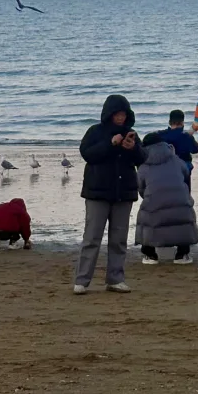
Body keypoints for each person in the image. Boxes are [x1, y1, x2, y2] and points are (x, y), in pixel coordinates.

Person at [75, 93, 146, 293]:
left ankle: (115, 279)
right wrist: (110, 143)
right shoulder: (95, 131)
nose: (120, 118)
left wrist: (133, 148)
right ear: (109, 114)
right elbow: (87, 154)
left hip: (124, 193)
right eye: (117, 114)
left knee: (119, 239)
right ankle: (82, 280)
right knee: (92, 238)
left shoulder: (131, 134)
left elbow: (142, 158)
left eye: (124, 114)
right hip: (97, 192)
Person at [136, 132, 198, 265]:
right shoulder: (177, 160)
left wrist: (149, 196)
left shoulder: (144, 164)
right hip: (180, 202)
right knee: (183, 217)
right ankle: (182, 254)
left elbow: (141, 187)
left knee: (146, 217)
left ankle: (150, 254)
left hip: (154, 203)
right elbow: (185, 175)